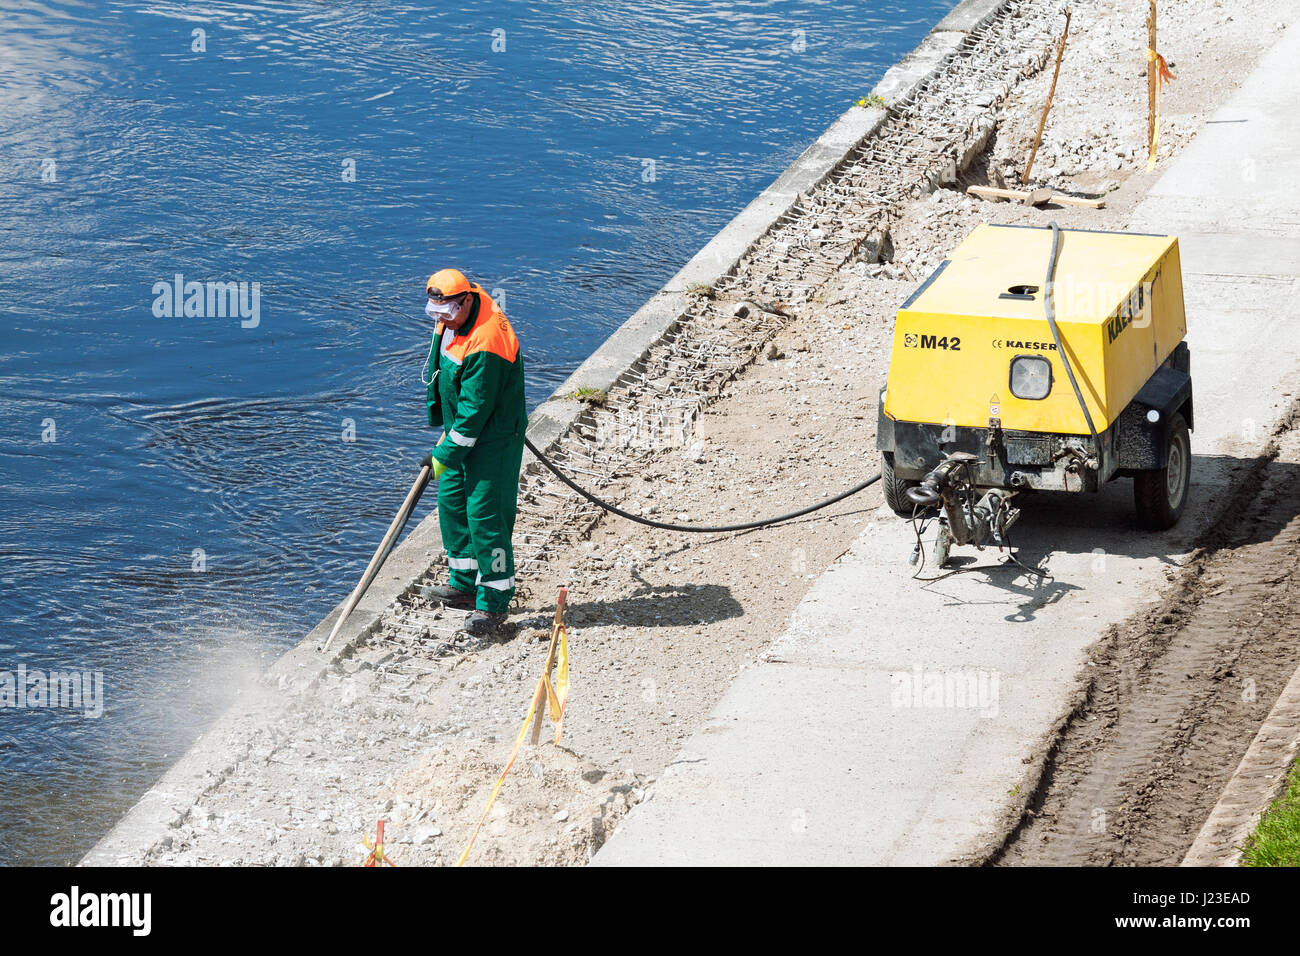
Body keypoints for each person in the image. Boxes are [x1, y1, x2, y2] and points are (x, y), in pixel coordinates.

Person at [420, 268, 526, 634]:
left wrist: (444, 454)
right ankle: (463, 584)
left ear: (466, 300)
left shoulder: (486, 342)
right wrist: (446, 442)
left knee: (486, 516)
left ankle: (494, 602)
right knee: (451, 502)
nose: (441, 319)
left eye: (446, 312)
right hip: (461, 432)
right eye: (435, 312)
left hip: (493, 439)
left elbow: (474, 413)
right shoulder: (457, 309)